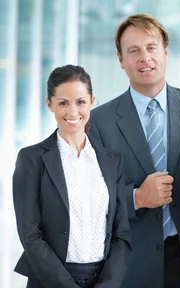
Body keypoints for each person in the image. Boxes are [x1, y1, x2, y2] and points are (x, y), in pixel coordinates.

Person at [88, 13, 180, 288]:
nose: (144, 57)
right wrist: (136, 197)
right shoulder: (100, 121)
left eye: (151, 47)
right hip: (131, 262)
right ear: (121, 61)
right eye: (133, 51)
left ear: (165, 52)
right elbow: (91, 197)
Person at [13, 65, 131, 288]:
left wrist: (108, 284)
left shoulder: (111, 161)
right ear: (50, 104)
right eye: (63, 103)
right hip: (50, 281)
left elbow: (121, 233)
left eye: (80, 102)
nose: (73, 112)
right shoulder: (32, 159)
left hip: (102, 280)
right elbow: (30, 235)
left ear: (92, 101)